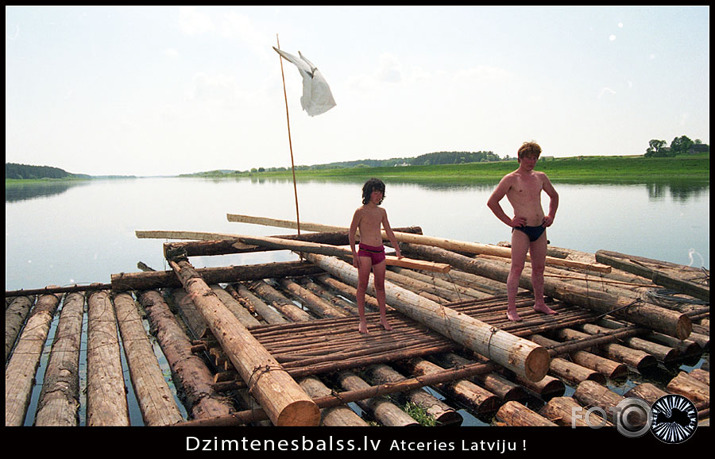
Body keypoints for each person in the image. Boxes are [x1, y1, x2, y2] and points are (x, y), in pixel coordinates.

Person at [487, 141, 559, 321]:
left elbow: (554, 196)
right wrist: (509, 221)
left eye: (535, 158)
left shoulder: (540, 177)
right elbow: (492, 202)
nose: (531, 161)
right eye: (528, 158)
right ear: (520, 158)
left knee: (539, 268)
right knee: (517, 268)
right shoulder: (511, 179)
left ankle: (539, 303)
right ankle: (511, 308)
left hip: (540, 229)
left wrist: (551, 216)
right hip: (522, 230)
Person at [349, 178, 402, 333]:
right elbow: (351, 233)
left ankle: (383, 319)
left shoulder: (382, 212)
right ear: (368, 193)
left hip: (379, 251)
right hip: (365, 251)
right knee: (362, 284)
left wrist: (397, 249)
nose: (378, 195)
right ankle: (363, 321)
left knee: (380, 286)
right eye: (375, 192)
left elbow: (389, 231)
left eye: (380, 192)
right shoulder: (360, 211)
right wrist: (354, 254)